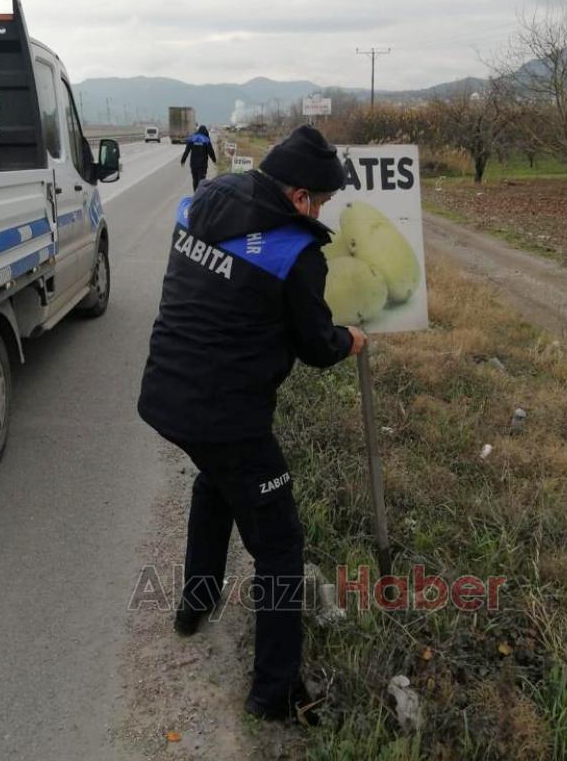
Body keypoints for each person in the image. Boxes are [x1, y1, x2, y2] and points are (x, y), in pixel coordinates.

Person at [138, 125, 367, 724]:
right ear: (298, 197)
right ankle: (274, 693)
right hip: (227, 415)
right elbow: (317, 345)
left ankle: (196, 602)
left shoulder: (206, 200)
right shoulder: (294, 253)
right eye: (319, 200)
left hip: (167, 393)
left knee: (216, 481)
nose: (320, 211)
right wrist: (352, 342)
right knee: (280, 547)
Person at [180, 124, 217, 191]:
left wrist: (183, 160)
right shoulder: (206, 140)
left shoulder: (192, 139)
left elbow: (187, 151)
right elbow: (211, 152)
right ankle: (200, 194)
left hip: (193, 164)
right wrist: (214, 160)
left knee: (195, 180)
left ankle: (195, 194)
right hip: (202, 165)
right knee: (201, 181)